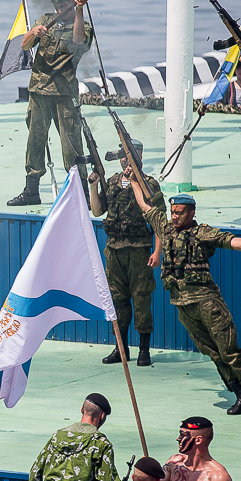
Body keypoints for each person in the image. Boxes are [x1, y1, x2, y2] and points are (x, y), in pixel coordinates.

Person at [131, 188, 241, 415]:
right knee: (212, 352)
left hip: (206, 301)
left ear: (191, 213)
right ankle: (239, 395)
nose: (174, 216)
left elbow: (230, 241)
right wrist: (134, 179)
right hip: (182, 304)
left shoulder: (202, 233)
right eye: (173, 212)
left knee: (228, 350)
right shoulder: (166, 230)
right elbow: (146, 207)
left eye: (180, 212)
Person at [8, 0, 92, 206]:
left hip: (64, 93)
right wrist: (33, 33)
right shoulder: (46, 20)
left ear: (72, 4)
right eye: (56, 5)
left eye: (63, 5)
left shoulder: (83, 25)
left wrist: (80, 12)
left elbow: (79, 40)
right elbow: (24, 45)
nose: (58, 9)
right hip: (39, 91)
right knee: (35, 142)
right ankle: (31, 191)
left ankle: (81, 193)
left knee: (71, 144)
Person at [87, 139, 162, 366]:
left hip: (139, 251)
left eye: (129, 155)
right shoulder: (111, 182)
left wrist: (157, 251)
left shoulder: (149, 184)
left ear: (139, 157)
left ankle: (144, 350)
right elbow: (98, 210)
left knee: (141, 300)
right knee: (118, 301)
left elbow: (159, 221)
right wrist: (93, 186)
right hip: (114, 250)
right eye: (122, 155)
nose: (124, 160)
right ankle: (121, 349)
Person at [28, 393, 123, 481]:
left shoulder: (57, 437)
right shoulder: (101, 443)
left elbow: (35, 475)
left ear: (82, 409)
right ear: (102, 416)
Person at [160, 417, 233, 481]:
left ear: (198, 440)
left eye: (183, 435)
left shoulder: (218, 477)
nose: (178, 438)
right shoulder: (174, 463)